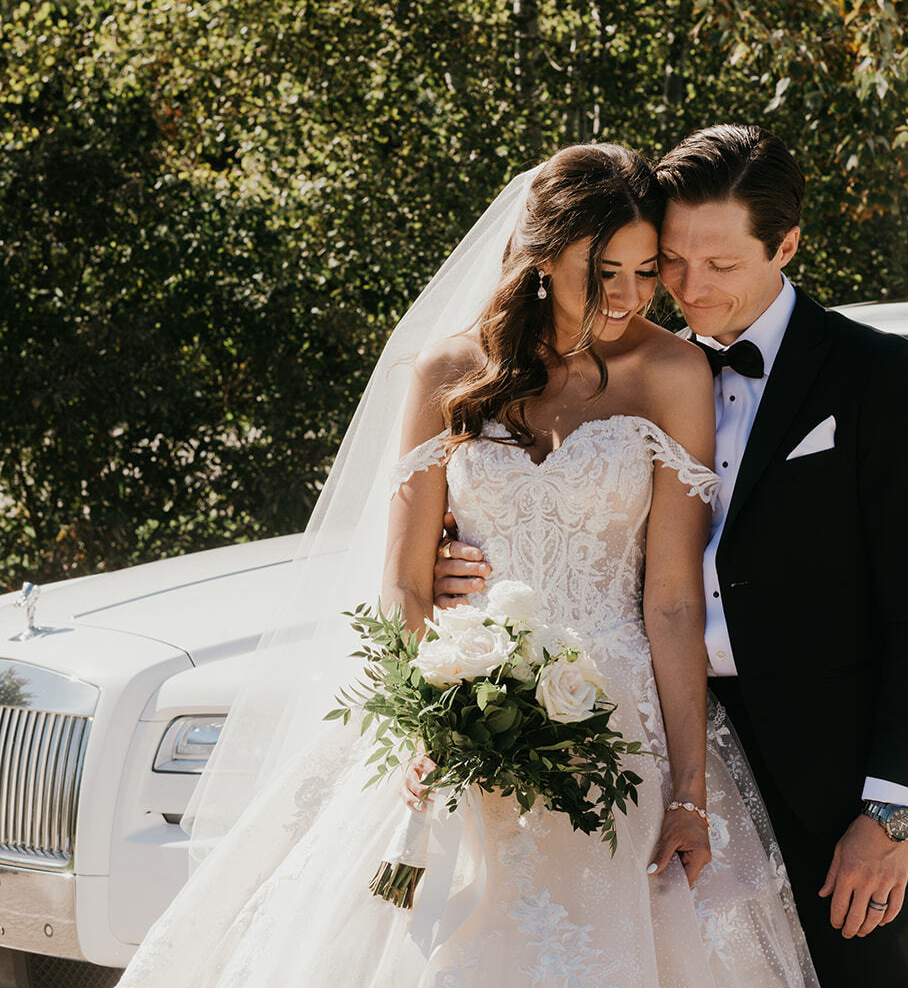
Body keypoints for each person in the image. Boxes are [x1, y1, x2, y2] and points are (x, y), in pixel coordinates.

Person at [115, 143, 818, 988]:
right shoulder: (448, 373)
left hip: (621, 723)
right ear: (543, 257)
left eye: (643, 270)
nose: (630, 296)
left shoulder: (673, 371)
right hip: (460, 706)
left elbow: (669, 601)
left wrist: (688, 793)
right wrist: (429, 726)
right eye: (605, 271)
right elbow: (408, 582)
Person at [435, 124, 908, 988]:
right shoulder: (611, 363)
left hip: (823, 778)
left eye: (720, 266)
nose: (685, 288)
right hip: (639, 746)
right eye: (669, 262)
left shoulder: (875, 378)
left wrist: (894, 812)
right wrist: (458, 566)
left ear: (786, 245)